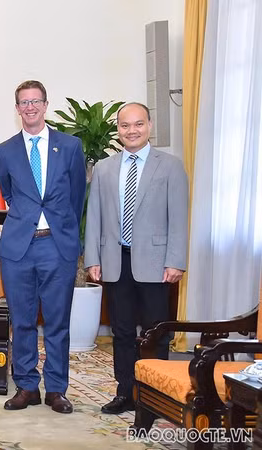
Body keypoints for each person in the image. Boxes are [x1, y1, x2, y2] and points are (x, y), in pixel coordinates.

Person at [84, 102, 188, 415]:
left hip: (157, 265)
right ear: (119, 129)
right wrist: (93, 259)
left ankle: (157, 396)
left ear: (149, 126)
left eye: (138, 124)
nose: (132, 131)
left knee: (157, 332)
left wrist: (176, 261)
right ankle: (125, 393)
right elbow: (95, 218)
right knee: (123, 332)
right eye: (125, 126)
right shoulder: (104, 168)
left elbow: (179, 217)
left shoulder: (169, 166)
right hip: (116, 262)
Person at [0, 80, 86, 414]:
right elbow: (8, 192)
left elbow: (77, 197)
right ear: (17, 108)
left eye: (36, 101)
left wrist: (62, 230)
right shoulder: (5, 150)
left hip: (57, 246)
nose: (30, 107)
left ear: (45, 105)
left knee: (57, 321)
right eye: (23, 102)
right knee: (21, 320)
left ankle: (57, 390)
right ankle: (27, 386)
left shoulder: (71, 146)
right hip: (19, 248)